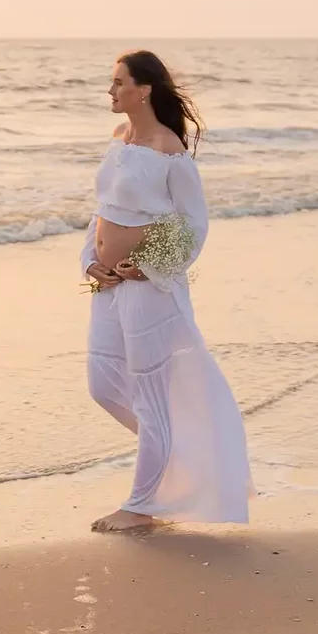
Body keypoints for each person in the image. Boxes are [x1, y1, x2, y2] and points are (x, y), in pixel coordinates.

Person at [81, 50, 252, 532]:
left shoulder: (168, 150)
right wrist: (91, 262)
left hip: (149, 290)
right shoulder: (119, 140)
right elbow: (102, 213)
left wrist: (149, 263)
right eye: (111, 83)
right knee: (102, 383)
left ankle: (142, 507)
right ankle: (189, 459)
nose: (111, 91)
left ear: (144, 89)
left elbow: (194, 225)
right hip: (109, 286)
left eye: (119, 83)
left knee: (154, 399)